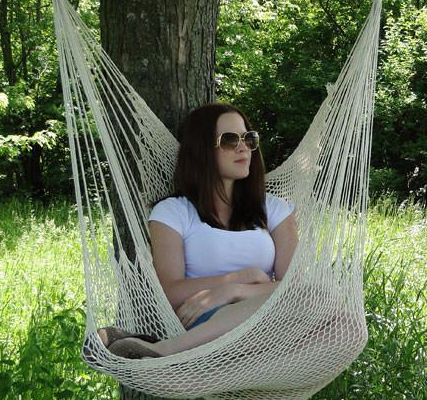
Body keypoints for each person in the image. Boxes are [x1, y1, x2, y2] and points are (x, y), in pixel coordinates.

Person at [100, 103, 297, 359]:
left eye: (249, 138)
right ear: (202, 149)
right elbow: (170, 292)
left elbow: (295, 288)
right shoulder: (174, 212)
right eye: (229, 140)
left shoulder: (274, 209)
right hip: (207, 327)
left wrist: (233, 290)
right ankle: (165, 353)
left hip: (270, 321)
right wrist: (247, 275)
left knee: (344, 319)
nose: (243, 147)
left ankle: (162, 353)